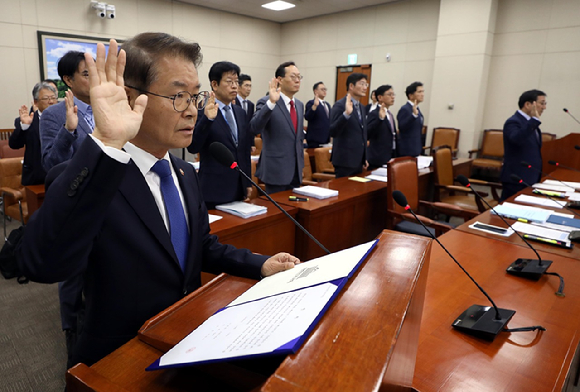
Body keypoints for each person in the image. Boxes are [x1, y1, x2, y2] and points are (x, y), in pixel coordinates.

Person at [17, 33, 299, 368]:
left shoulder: (183, 173)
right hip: (121, 356)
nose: (192, 111)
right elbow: (41, 263)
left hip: (185, 338)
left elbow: (200, 247)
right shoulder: (93, 175)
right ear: (130, 98)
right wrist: (105, 141)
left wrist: (259, 264)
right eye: (178, 96)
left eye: (196, 97)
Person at [188, 61, 252, 209]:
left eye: (236, 82)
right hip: (213, 189)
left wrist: (247, 182)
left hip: (238, 188)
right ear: (215, 85)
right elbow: (193, 146)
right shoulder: (201, 111)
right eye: (229, 82)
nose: (235, 86)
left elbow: (244, 150)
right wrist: (208, 119)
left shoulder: (240, 113)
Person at [250, 61, 304, 194]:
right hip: (276, 171)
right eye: (293, 77)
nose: (297, 80)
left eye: (299, 77)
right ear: (279, 80)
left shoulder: (299, 105)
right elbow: (254, 127)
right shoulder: (267, 101)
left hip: (296, 171)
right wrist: (271, 103)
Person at [40, 51, 95, 171]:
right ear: (69, 80)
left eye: (96, 73)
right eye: (87, 74)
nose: (95, 79)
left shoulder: (108, 109)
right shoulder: (52, 114)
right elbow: (51, 164)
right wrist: (68, 130)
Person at [500, 89, 547, 201]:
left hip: (530, 177)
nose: (544, 107)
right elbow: (516, 139)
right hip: (516, 178)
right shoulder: (513, 122)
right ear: (527, 104)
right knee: (507, 212)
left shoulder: (531, 124)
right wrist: (534, 120)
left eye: (545, 104)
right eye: (541, 103)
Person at [9, 82, 57, 185]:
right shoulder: (25, 121)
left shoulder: (64, 119)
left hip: (59, 176)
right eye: (46, 98)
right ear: (35, 102)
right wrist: (25, 126)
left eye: (53, 98)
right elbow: (14, 144)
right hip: (36, 178)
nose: (51, 101)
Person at [329, 73, 369, 178]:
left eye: (366, 84)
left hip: (358, 161)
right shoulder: (340, 105)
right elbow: (332, 131)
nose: (365, 88)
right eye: (362, 84)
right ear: (351, 86)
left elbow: (361, 133)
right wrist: (346, 114)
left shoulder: (362, 107)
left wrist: (364, 157)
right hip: (345, 161)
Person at [367, 84, 397, 170]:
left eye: (393, 94)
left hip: (390, 156)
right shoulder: (374, 113)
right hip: (378, 158)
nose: (393, 97)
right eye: (389, 94)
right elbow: (368, 133)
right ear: (380, 97)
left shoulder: (390, 114)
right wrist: (380, 119)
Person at [397, 81, 424, 157]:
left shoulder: (416, 108)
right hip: (407, 150)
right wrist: (413, 116)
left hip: (416, 149)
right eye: (419, 92)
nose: (422, 94)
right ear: (411, 95)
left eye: (423, 91)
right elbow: (402, 127)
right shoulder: (405, 109)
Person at [304, 81, 331, 148]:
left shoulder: (327, 105)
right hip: (315, 140)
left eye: (325, 89)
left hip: (326, 140)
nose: (324, 91)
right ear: (315, 91)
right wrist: (314, 106)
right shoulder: (311, 103)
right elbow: (308, 117)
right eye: (322, 89)